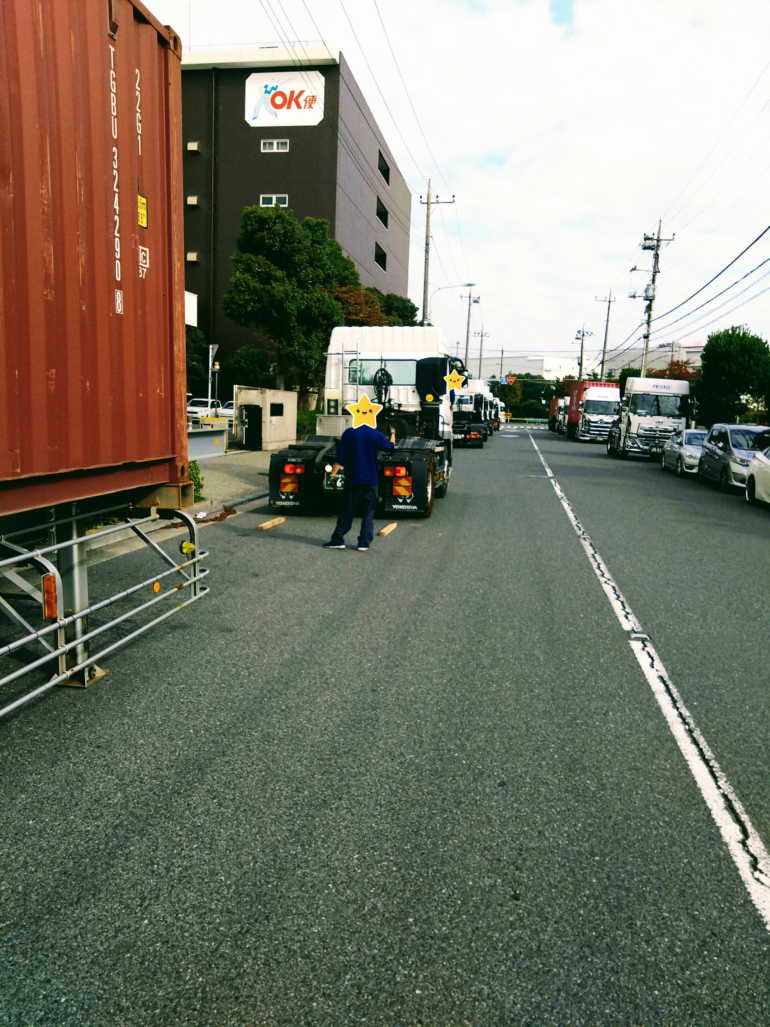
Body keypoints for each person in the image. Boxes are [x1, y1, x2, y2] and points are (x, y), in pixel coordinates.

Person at [323, 422, 395, 551]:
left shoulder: (349, 433)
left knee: (347, 510)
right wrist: (393, 433)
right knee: (368, 512)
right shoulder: (376, 434)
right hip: (371, 480)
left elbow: (341, 456)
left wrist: (333, 474)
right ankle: (363, 543)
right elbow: (390, 447)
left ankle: (338, 539)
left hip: (353, 479)